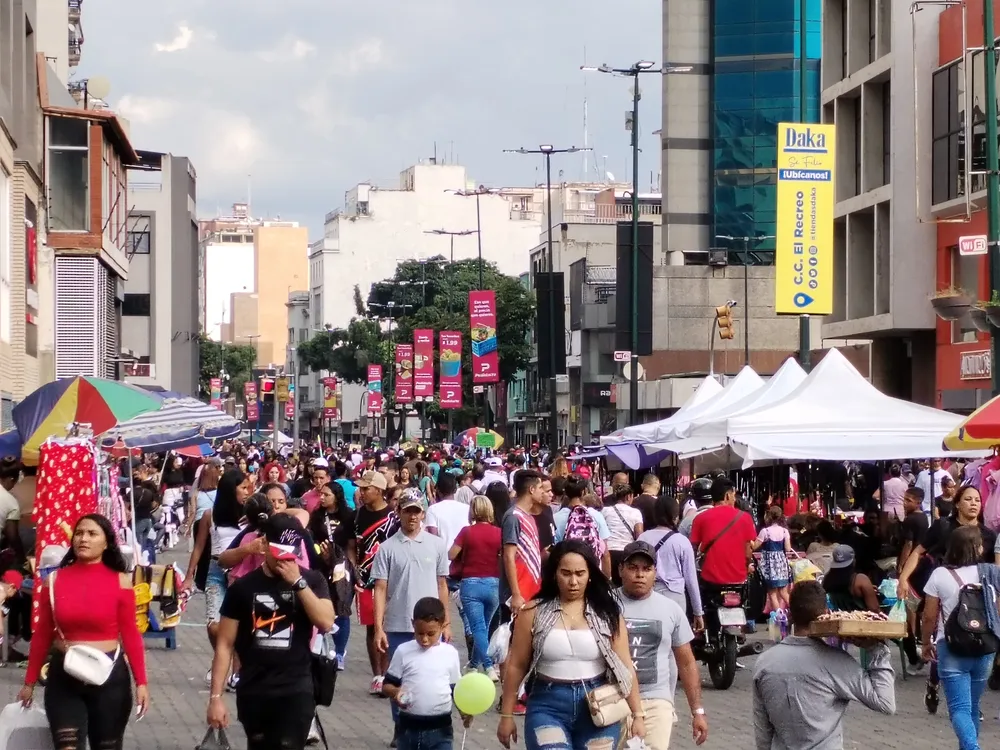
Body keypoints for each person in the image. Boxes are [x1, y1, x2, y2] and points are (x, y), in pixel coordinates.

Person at [497, 540, 645, 750]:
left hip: (599, 704)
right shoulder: (533, 611)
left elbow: (625, 665)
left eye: (580, 573)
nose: (573, 581)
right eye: (566, 573)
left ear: (590, 575)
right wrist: (506, 714)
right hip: (547, 705)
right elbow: (516, 665)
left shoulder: (607, 613)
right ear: (554, 574)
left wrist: (637, 714)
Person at [19, 514, 150, 748]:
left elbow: (131, 634)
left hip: (110, 678)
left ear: (107, 542)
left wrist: (141, 682)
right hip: (64, 678)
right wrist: (29, 682)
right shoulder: (54, 581)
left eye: (92, 534)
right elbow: (42, 634)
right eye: (79, 533)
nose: (83, 539)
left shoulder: (121, 582)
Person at [207, 514, 335, 750]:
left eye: (291, 555)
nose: (285, 562)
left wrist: (298, 583)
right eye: (280, 555)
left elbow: (326, 621)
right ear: (265, 546)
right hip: (254, 690)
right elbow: (225, 644)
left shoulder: (312, 580)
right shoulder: (243, 588)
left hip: (296, 688)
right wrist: (216, 698)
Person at [752, 580, 895, 749]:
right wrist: (876, 649)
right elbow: (885, 703)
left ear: (790, 614)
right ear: (826, 614)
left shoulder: (764, 662)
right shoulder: (837, 662)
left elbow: (763, 732)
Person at [372, 489, 450, 746]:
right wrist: (378, 627)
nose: (413, 517)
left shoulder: (436, 545)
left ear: (423, 513)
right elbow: (380, 588)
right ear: (399, 513)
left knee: (429, 677)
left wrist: (446, 622)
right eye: (408, 511)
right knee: (399, 679)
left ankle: (431, 726)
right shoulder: (387, 548)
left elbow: (442, 584)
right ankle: (400, 725)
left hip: (431, 624)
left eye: (417, 511)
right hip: (398, 622)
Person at [617, 540, 708, 750]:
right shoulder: (606, 605)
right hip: (614, 700)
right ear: (621, 569)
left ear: (655, 572)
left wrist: (698, 712)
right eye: (633, 568)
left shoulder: (671, 609)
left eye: (646, 569)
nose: (640, 574)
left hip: (656, 701)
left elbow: (686, 663)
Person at [922, 526, 995, 750]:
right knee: (972, 706)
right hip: (985, 647)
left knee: (959, 709)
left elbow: (928, 616)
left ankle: (973, 748)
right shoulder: (991, 572)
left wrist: (926, 643)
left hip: (951, 647)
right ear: (979, 547)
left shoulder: (940, 574)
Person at [184, 468, 251, 688]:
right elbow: (199, 547)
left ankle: (236, 673)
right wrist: (188, 576)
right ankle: (223, 655)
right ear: (231, 490)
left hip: (241, 572)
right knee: (213, 625)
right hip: (215, 570)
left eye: (249, 487)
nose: (247, 491)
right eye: (243, 487)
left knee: (239, 624)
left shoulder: (250, 515)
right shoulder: (209, 516)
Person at [382, 597, 468, 750]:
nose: (425, 639)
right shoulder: (403, 651)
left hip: (441, 730)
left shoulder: (450, 654)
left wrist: (464, 711)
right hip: (408, 729)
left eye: (431, 634)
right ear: (412, 623)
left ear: (442, 626)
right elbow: (387, 685)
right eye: (420, 633)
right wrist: (396, 692)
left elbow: (455, 688)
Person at [349, 469, 398, 695]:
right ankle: (377, 674)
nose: (362, 492)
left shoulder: (392, 517)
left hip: (391, 580)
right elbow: (350, 544)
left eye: (366, 488)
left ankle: (389, 672)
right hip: (365, 580)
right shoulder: (357, 515)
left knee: (388, 625)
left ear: (378, 490)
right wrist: (354, 569)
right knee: (371, 626)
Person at [689, 478, 756, 629]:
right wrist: (747, 566)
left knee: (704, 603)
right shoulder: (745, 518)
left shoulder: (700, 518)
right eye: (734, 495)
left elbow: (693, 548)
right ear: (727, 496)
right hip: (738, 579)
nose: (735, 498)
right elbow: (748, 551)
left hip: (710, 579)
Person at [449, 496, 503, 680]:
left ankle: (488, 667)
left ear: (473, 510)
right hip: (493, 584)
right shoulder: (498, 533)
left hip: (470, 584)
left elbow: (451, 554)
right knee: (484, 629)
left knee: (478, 628)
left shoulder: (467, 532)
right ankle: (472, 666)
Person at [638, 495, 704, 628]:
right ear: (675, 516)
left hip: (648, 595)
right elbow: (691, 580)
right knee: (675, 640)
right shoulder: (682, 541)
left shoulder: (643, 538)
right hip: (675, 597)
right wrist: (698, 612)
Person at [500, 470, 545, 620]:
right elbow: (508, 556)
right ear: (531, 490)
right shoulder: (514, 517)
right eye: (540, 488)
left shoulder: (529, 516)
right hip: (517, 594)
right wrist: (515, 593)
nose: (542, 492)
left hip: (531, 589)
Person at [553, 475, 612, 578]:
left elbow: (554, 552)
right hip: (592, 574)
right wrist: (607, 581)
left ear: (566, 493)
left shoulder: (555, 518)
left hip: (568, 576)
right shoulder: (596, 516)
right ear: (584, 492)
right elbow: (605, 553)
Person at [753, 506, 793, 613]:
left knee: (772, 593)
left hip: (770, 565)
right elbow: (788, 548)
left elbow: (754, 546)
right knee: (784, 592)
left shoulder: (765, 531)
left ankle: (779, 618)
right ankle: (795, 613)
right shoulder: (785, 531)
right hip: (781, 564)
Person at [602, 483, 644, 584]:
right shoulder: (635, 512)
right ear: (628, 496)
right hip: (626, 552)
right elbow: (639, 535)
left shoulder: (605, 510)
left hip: (608, 553)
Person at [822, 545, 881, 613]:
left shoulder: (827, 579)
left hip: (835, 619)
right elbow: (874, 608)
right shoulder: (860, 579)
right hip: (858, 621)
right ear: (853, 561)